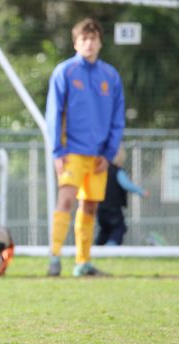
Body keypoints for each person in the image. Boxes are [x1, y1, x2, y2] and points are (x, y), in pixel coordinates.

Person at [45, 18, 125, 277]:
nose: (89, 43)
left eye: (93, 39)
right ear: (76, 43)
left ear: (100, 43)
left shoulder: (110, 76)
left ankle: (83, 262)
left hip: (99, 156)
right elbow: (53, 114)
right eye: (84, 39)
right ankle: (55, 257)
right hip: (71, 152)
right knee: (66, 200)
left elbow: (117, 118)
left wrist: (109, 153)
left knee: (90, 206)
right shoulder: (65, 72)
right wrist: (58, 151)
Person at [96, 145, 149, 246]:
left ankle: (97, 249)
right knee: (119, 228)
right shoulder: (117, 171)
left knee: (105, 230)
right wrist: (141, 192)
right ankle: (110, 247)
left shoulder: (100, 171)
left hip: (100, 207)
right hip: (113, 208)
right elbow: (127, 185)